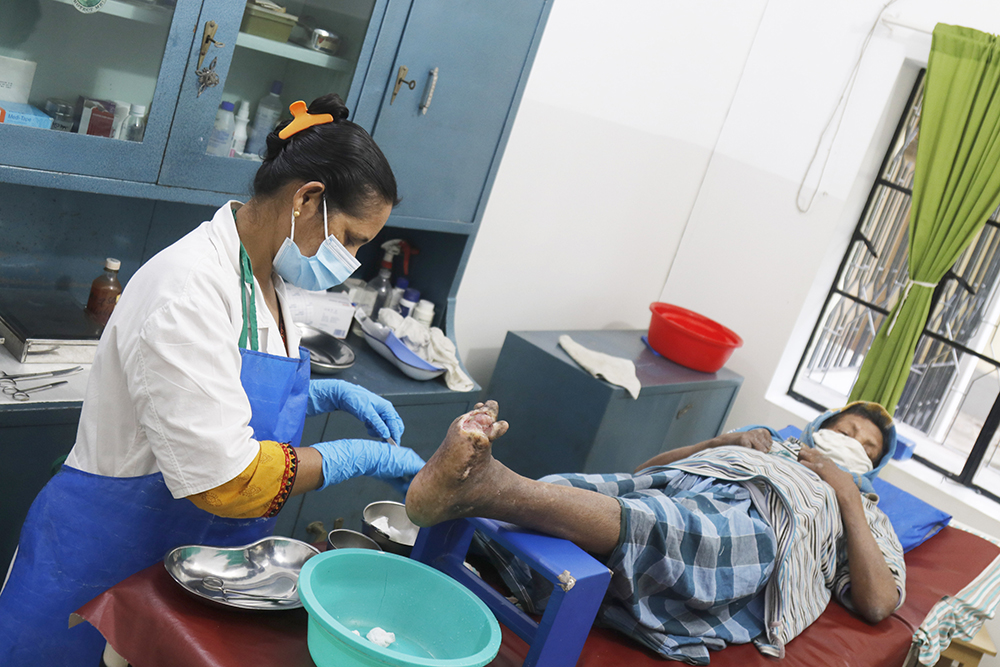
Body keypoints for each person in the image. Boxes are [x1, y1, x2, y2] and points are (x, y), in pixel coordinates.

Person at [0, 94, 425, 667]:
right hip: (101, 557)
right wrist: (353, 458)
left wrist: (325, 392)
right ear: (307, 199)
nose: (349, 259)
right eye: (349, 238)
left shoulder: (263, 278)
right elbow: (229, 483)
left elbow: (232, 383)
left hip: (179, 553)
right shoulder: (188, 288)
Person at [406, 400, 905, 664]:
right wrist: (723, 441)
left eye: (865, 445)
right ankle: (479, 495)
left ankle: (485, 487)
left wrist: (844, 494)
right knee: (564, 488)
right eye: (844, 431)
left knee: (660, 528)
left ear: (874, 467)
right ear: (821, 428)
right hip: (682, 482)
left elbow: (879, 602)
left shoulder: (865, 509)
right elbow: (642, 469)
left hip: (762, 526)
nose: (850, 442)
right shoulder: (770, 445)